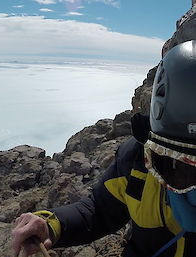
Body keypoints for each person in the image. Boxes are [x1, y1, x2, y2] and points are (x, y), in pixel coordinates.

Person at [12, 40, 196, 257]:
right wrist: (51, 224)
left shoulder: (143, 161)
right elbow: (99, 210)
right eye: (177, 166)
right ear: (153, 151)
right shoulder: (137, 162)